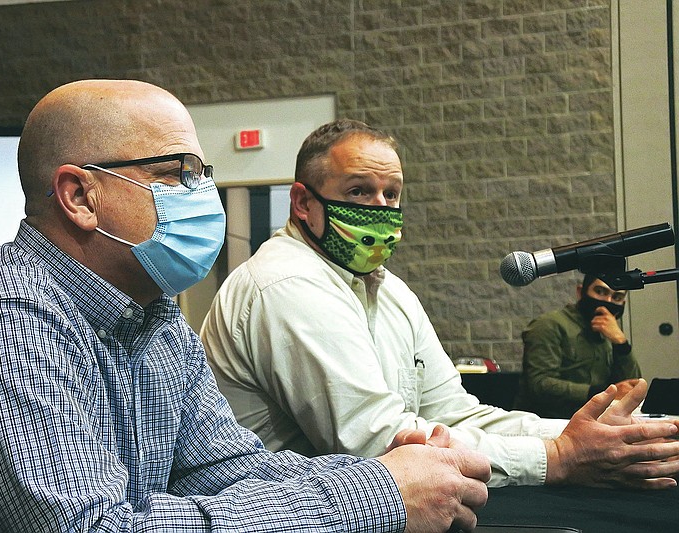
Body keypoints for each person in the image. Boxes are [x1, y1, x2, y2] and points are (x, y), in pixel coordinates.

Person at [0, 81, 493, 533]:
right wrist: (377, 496)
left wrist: (389, 471)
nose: (203, 197)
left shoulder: (153, 314)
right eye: (175, 174)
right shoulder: (5, 319)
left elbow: (224, 469)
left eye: (202, 175)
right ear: (79, 195)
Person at [200, 118, 679, 489]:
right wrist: (557, 457)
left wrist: (623, 435)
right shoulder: (287, 282)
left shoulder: (389, 290)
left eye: (392, 194)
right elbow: (372, 444)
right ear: (303, 203)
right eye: (359, 191)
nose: (381, 209)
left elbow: (456, 414)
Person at [515, 274, 642, 418]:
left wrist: (621, 343)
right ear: (581, 292)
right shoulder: (549, 325)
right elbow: (540, 384)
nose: (608, 301)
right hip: (548, 423)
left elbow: (630, 387)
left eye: (617, 297)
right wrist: (601, 394)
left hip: (595, 422)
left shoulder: (608, 331)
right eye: (600, 292)